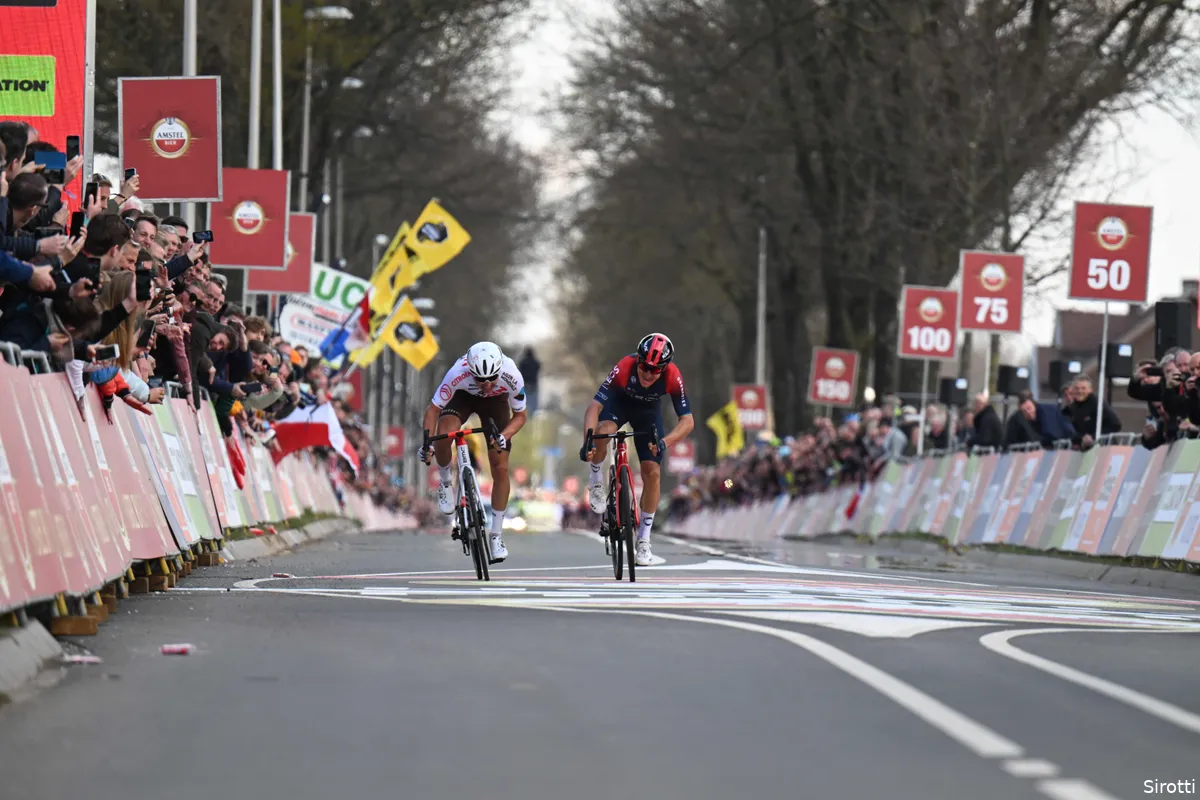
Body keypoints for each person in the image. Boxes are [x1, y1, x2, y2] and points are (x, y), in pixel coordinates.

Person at [580, 332, 695, 566]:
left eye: (655, 370)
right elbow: (595, 406)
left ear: (664, 368)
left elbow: (687, 421)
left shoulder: (673, 376)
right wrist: (588, 441)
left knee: (652, 471)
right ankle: (596, 482)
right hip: (619, 405)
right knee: (603, 430)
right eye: (644, 367)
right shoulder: (624, 367)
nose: (648, 373)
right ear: (638, 360)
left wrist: (665, 442)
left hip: (648, 414)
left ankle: (643, 539)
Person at [418, 341, 528, 563]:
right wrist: (427, 442)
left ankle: (496, 536)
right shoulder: (457, 373)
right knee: (444, 433)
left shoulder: (512, 375)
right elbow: (433, 410)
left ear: (500, 370)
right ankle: (446, 482)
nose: (486, 384)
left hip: (496, 404)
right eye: (480, 379)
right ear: (470, 371)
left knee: (500, 466)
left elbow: (520, 416)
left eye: (492, 378)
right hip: (462, 398)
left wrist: (503, 436)